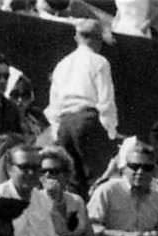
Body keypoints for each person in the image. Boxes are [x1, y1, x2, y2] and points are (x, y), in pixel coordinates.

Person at [45, 20, 119, 196]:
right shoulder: (99, 62)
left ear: (77, 38)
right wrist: (110, 132)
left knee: (72, 181)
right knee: (98, 178)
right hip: (87, 121)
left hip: (64, 124)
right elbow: (106, 100)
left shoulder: (62, 65)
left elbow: (53, 104)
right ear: (97, 40)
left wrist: (58, 130)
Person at [87, 142, 158, 236]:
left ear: (154, 171)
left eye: (147, 168)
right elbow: (89, 228)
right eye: (135, 166)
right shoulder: (107, 191)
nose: (140, 172)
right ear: (124, 168)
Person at [0, 145, 60, 236]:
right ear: (10, 169)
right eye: (24, 167)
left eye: (36, 168)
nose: (31, 173)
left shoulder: (43, 200)